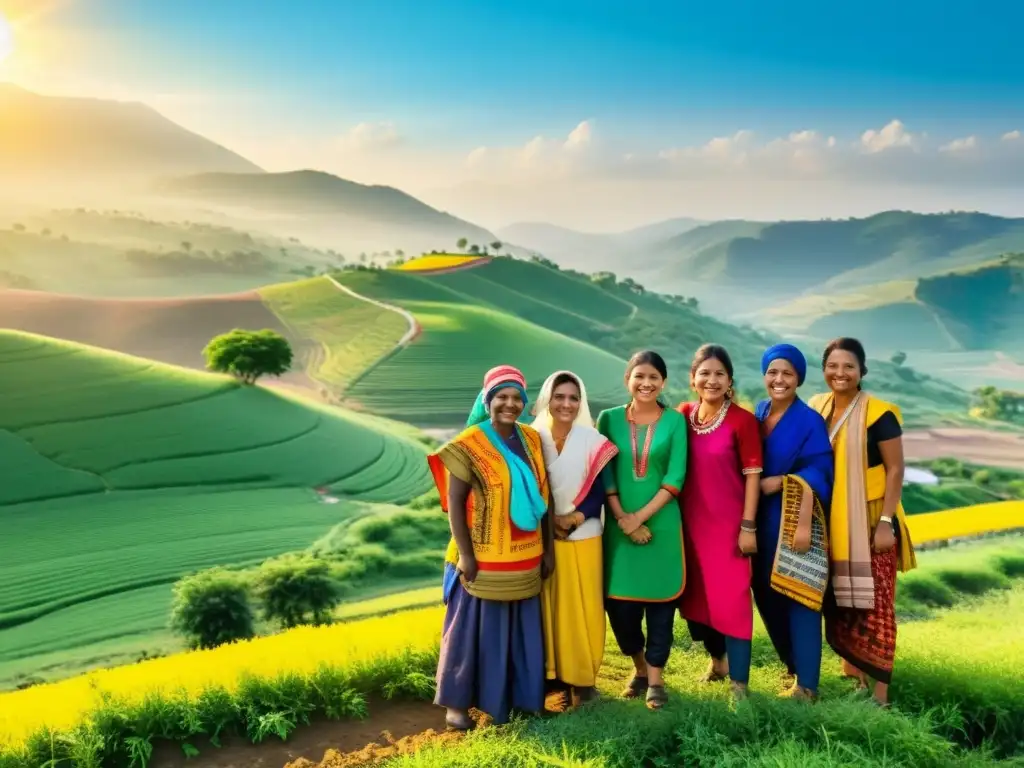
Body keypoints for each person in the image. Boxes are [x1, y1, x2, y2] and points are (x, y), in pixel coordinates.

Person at [427, 364, 555, 730]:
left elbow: (543, 499)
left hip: (525, 555)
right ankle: (457, 705)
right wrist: (467, 555)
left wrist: (548, 550)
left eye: (517, 397)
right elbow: (455, 503)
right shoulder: (469, 444)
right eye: (502, 396)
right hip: (480, 559)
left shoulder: (531, 440)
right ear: (488, 400)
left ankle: (522, 700)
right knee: (470, 632)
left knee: (520, 632)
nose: (510, 404)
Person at [809, 337, 918, 708]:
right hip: (832, 517)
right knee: (842, 600)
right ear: (824, 369)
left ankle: (881, 696)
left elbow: (895, 469)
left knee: (877, 604)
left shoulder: (879, 413)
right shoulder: (816, 406)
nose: (840, 373)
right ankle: (853, 681)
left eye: (849, 367)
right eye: (833, 366)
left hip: (872, 517)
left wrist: (886, 521)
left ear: (861, 371)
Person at [597, 350, 689, 710]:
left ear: (663, 382)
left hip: (663, 526)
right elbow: (604, 473)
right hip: (619, 529)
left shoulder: (675, 422)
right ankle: (638, 667)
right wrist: (624, 518)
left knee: (662, 607)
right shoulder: (608, 419)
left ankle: (655, 680)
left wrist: (641, 519)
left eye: (653, 377)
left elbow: (675, 476)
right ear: (627, 380)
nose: (646, 383)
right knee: (620, 609)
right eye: (639, 376)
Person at [676, 344, 763, 700]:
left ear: (730, 381)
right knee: (695, 604)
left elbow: (753, 477)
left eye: (719, 374)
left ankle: (739, 684)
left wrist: (747, 526)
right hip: (687, 528)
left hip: (729, 531)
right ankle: (718, 663)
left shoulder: (743, 421)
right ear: (693, 379)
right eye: (705, 373)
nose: (712, 380)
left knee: (733, 604)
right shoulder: (683, 415)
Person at [752, 343, 835, 701]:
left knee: (799, 597)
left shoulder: (808, 420)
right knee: (766, 593)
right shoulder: (759, 411)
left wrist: (782, 482)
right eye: (773, 372)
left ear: (798, 378)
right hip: (758, 519)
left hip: (793, 520)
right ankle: (792, 666)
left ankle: (808, 685)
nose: (779, 379)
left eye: (787, 373)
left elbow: (821, 471)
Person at [532, 370, 618, 705]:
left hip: (585, 534)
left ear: (581, 402)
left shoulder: (591, 440)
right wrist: (550, 522)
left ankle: (584, 681)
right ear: (547, 400)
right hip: (544, 538)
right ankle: (557, 679)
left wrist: (573, 518)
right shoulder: (532, 438)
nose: (566, 404)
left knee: (584, 607)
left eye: (573, 398)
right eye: (559, 397)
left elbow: (600, 488)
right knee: (552, 608)